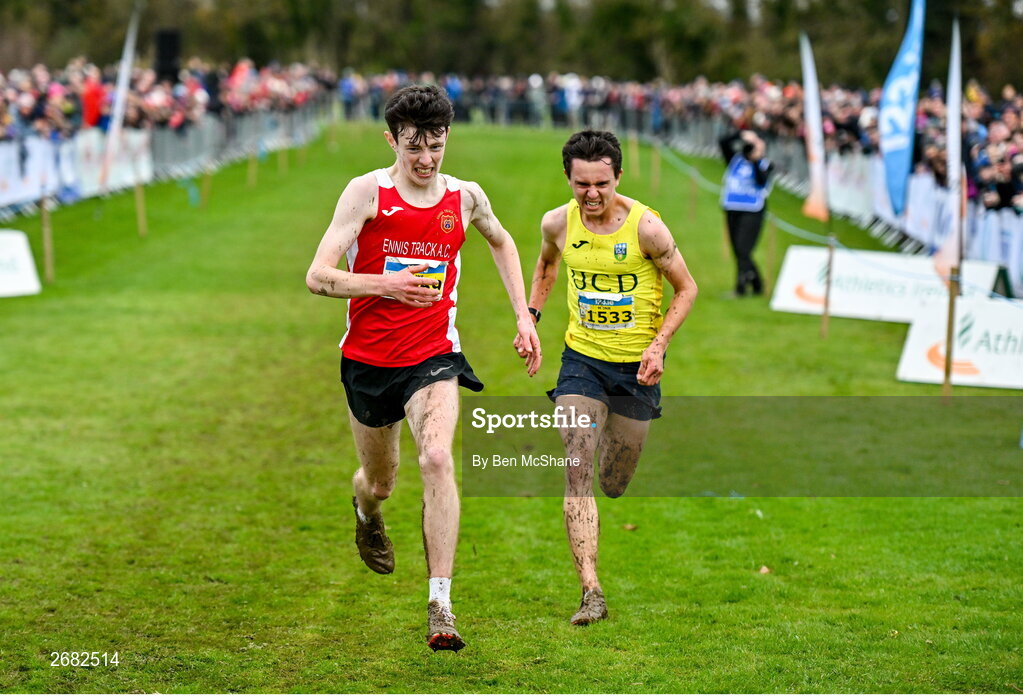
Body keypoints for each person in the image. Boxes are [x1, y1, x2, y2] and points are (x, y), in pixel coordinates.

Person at [306, 84, 541, 651]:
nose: (426, 159)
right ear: (391, 139)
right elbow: (318, 275)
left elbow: (504, 243)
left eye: (436, 145)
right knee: (382, 482)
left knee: (437, 457)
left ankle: (441, 604)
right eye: (414, 146)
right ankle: (365, 509)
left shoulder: (465, 197)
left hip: (433, 356)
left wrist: (524, 315)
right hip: (367, 362)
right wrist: (381, 284)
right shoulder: (366, 193)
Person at [516, 130, 697, 625]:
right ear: (568, 179)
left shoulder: (648, 229)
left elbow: (686, 288)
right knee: (577, 468)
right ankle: (591, 591)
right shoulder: (557, 223)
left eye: (601, 183)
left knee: (612, 483)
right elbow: (546, 269)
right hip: (582, 361)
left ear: (618, 176)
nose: (592, 194)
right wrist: (529, 318)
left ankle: (609, 487)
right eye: (581, 184)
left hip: (636, 369)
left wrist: (659, 345)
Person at [719, 129, 774, 296]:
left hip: (752, 210)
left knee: (744, 249)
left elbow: (761, 181)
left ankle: (740, 288)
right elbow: (723, 142)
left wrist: (756, 160)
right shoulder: (735, 160)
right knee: (738, 250)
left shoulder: (765, 164)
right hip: (733, 207)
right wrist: (741, 135)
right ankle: (757, 284)